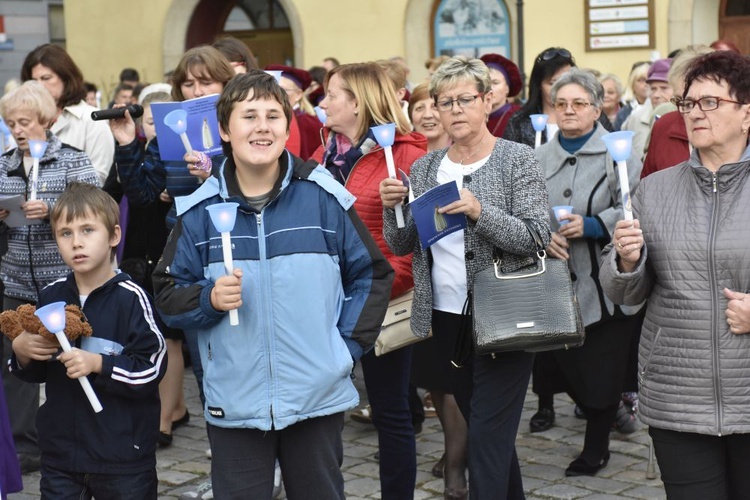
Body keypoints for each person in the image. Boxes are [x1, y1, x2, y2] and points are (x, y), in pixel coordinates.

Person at [153, 71, 393, 499]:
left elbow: (371, 274)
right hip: (235, 398)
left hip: (316, 394)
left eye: (273, 115)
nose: (262, 126)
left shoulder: (323, 197)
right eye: (248, 116)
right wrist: (208, 299)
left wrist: (342, 350)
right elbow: (167, 295)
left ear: (288, 125)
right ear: (225, 130)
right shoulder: (200, 210)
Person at [380, 55, 550, 499]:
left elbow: (535, 236)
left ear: (487, 101)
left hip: (504, 314)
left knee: (487, 442)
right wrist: (393, 205)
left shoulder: (517, 159)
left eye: (464, 99)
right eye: (444, 101)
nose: (454, 110)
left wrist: (479, 211)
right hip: (445, 318)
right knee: (486, 431)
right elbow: (402, 245)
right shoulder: (425, 167)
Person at [601, 50, 750, 499]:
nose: (694, 113)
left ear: (746, 114)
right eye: (688, 103)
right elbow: (626, 293)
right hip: (678, 394)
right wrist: (627, 262)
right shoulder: (655, 189)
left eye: (711, 103)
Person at [311, 61, 425, 499]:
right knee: (324, 409)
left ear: (357, 102)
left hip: (380, 297)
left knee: (390, 410)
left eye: (332, 95)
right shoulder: (327, 154)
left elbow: (416, 242)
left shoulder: (407, 155)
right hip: (328, 300)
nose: (323, 103)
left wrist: (376, 289)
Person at [9, 182, 166, 499]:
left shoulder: (132, 299)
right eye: (66, 233)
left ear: (114, 236)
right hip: (62, 454)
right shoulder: (52, 296)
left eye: (87, 230)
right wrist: (23, 353)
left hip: (122, 456)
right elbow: (40, 369)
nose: (76, 242)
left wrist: (99, 364)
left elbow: (152, 366)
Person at [535, 68, 643, 476]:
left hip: (606, 282)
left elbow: (634, 207)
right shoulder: (539, 156)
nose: (569, 110)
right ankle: (603, 407)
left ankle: (596, 447)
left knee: (603, 367)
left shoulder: (619, 151)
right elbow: (525, 209)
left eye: (579, 103)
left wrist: (594, 225)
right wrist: (543, 234)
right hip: (556, 281)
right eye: (561, 104)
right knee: (569, 365)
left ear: (598, 108)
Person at [0, 81, 99, 475]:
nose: (18, 131)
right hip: (15, 278)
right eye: (11, 124)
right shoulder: (4, 163)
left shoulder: (73, 159)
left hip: (65, 279)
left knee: (71, 357)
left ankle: (82, 434)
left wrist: (56, 210)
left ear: (47, 120)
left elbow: (96, 210)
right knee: (18, 362)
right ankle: (24, 445)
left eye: (24, 122)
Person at [404, 80, 469, 486]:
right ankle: (455, 450)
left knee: (463, 383)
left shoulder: (471, 159)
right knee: (439, 383)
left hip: (468, 290)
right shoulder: (410, 164)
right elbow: (403, 235)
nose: (428, 113)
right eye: (420, 107)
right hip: (426, 288)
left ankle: (458, 463)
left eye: (436, 105)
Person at [20, 44, 114, 186]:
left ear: (66, 78)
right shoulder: (26, 119)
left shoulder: (91, 119)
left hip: (77, 205)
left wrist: (48, 198)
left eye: (46, 78)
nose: (39, 86)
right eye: (34, 81)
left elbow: (97, 178)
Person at [265, 64, 322, 160]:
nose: (274, 94)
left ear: (298, 94)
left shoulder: (311, 123)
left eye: (282, 89)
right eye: (270, 89)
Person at [621, 58, 673, 160]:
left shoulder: (688, 118)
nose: (656, 95)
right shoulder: (636, 118)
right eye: (653, 89)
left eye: (664, 88)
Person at [479, 53, 522, 138]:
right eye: (486, 83)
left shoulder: (519, 116)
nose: (490, 88)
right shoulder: (474, 115)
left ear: (507, 88)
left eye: (495, 83)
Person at [613, 61, 650, 130]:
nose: (646, 84)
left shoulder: (659, 109)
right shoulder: (623, 113)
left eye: (649, 80)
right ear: (632, 84)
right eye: (641, 80)